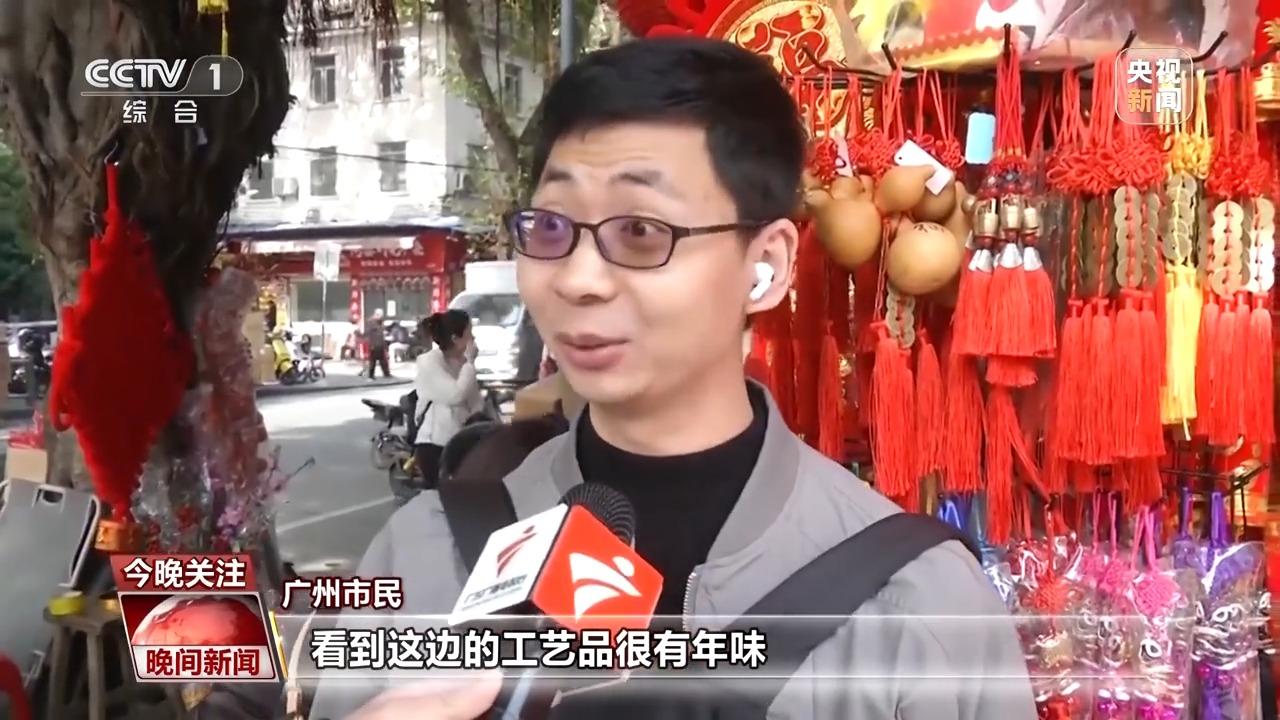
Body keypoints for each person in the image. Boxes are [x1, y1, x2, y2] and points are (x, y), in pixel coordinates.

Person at [310, 37, 1034, 719]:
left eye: (641, 232)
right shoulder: (424, 554)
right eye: (552, 228)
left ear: (767, 266)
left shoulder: (918, 602)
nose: (579, 279)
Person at [410, 310, 481, 489]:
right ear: (455, 338)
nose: (473, 339)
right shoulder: (430, 362)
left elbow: (475, 403)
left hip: (462, 443)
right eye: (469, 333)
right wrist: (470, 364)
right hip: (436, 446)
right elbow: (455, 395)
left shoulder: (461, 363)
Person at [364, 308, 391, 379]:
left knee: (383, 360)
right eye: (380, 316)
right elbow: (368, 334)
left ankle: (386, 373)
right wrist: (371, 344)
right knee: (373, 360)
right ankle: (371, 375)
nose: (381, 317)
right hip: (373, 344)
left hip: (380, 343)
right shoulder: (370, 322)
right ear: (376, 314)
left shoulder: (380, 322)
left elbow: (381, 330)